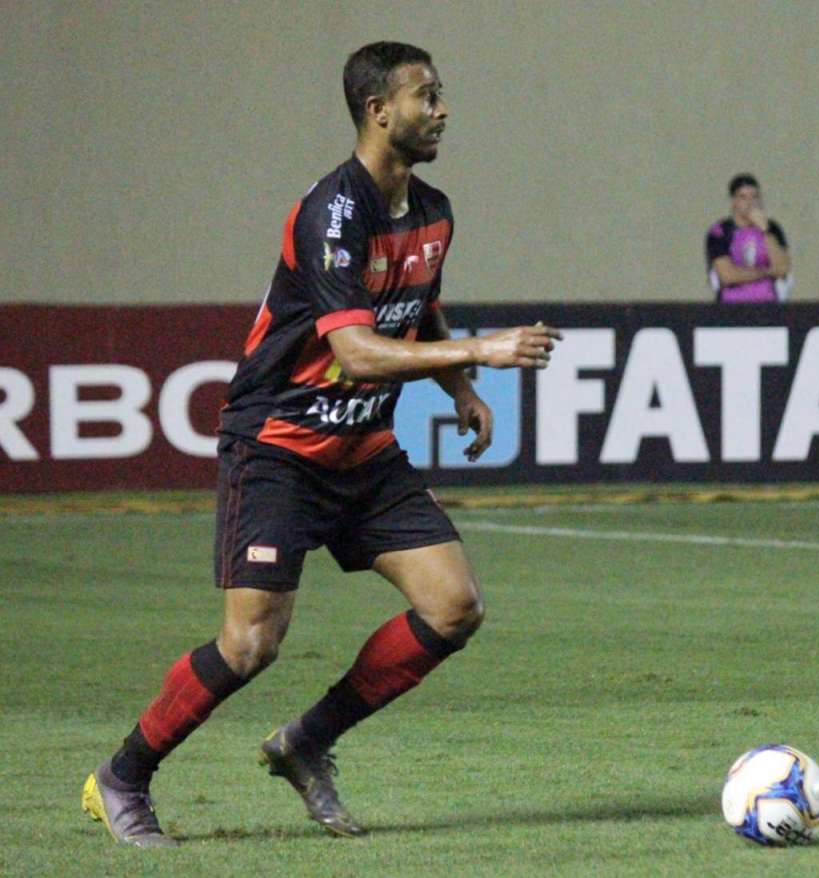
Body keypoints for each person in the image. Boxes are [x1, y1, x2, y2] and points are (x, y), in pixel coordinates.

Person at [81, 41, 561, 848]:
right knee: (252, 643)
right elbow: (358, 352)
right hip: (278, 446)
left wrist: (459, 390)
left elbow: (415, 305)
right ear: (379, 111)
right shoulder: (332, 214)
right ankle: (122, 777)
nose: (442, 109)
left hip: (363, 449)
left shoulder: (434, 209)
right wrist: (482, 353)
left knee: (453, 607)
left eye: (441, 95)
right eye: (426, 96)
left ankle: (307, 741)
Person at [705, 173, 792, 303]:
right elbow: (727, 276)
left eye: (754, 197)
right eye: (743, 197)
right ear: (734, 201)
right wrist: (766, 272)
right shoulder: (720, 232)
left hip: (768, 303)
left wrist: (765, 230)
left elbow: (782, 268)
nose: (750, 203)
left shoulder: (773, 228)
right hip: (731, 305)